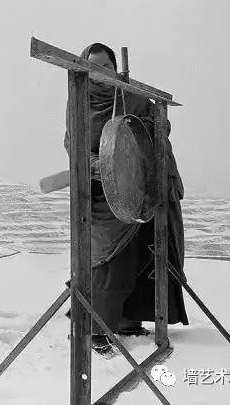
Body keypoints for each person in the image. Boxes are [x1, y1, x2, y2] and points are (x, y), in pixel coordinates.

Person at [64, 42, 189, 355]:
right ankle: (94, 330)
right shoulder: (80, 100)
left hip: (138, 192)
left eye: (105, 66)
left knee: (140, 257)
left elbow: (157, 127)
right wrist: (103, 165)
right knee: (109, 263)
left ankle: (126, 321)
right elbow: (73, 146)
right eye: (92, 67)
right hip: (99, 196)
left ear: (114, 68)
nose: (99, 73)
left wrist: (143, 135)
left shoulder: (132, 95)